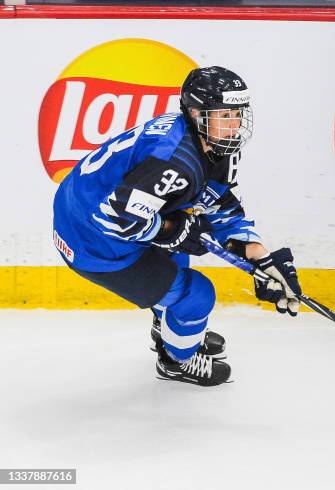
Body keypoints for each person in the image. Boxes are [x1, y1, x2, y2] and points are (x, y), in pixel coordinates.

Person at [53, 66, 302, 386]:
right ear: (196, 113)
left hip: (87, 205)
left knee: (177, 260)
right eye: (224, 115)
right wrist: (172, 230)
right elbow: (113, 219)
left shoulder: (211, 144)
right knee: (197, 295)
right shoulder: (175, 162)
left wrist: (260, 257)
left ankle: (169, 327)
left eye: (238, 114)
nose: (234, 125)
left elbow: (220, 208)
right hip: (90, 239)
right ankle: (176, 360)